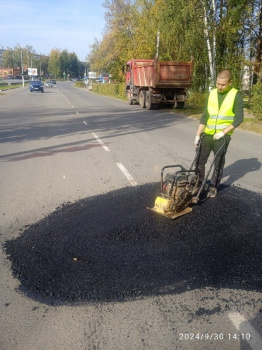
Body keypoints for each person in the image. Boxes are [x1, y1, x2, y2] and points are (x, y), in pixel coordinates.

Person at [194, 69, 244, 198]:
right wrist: (198, 134)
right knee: (199, 160)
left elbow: (239, 118)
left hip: (223, 136)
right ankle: (198, 184)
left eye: (223, 84)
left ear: (230, 82)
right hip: (208, 134)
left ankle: (213, 186)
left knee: (218, 163)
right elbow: (205, 115)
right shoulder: (212, 93)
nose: (220, 87)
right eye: (218, 84)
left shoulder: (236, 95)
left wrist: (223, 132)